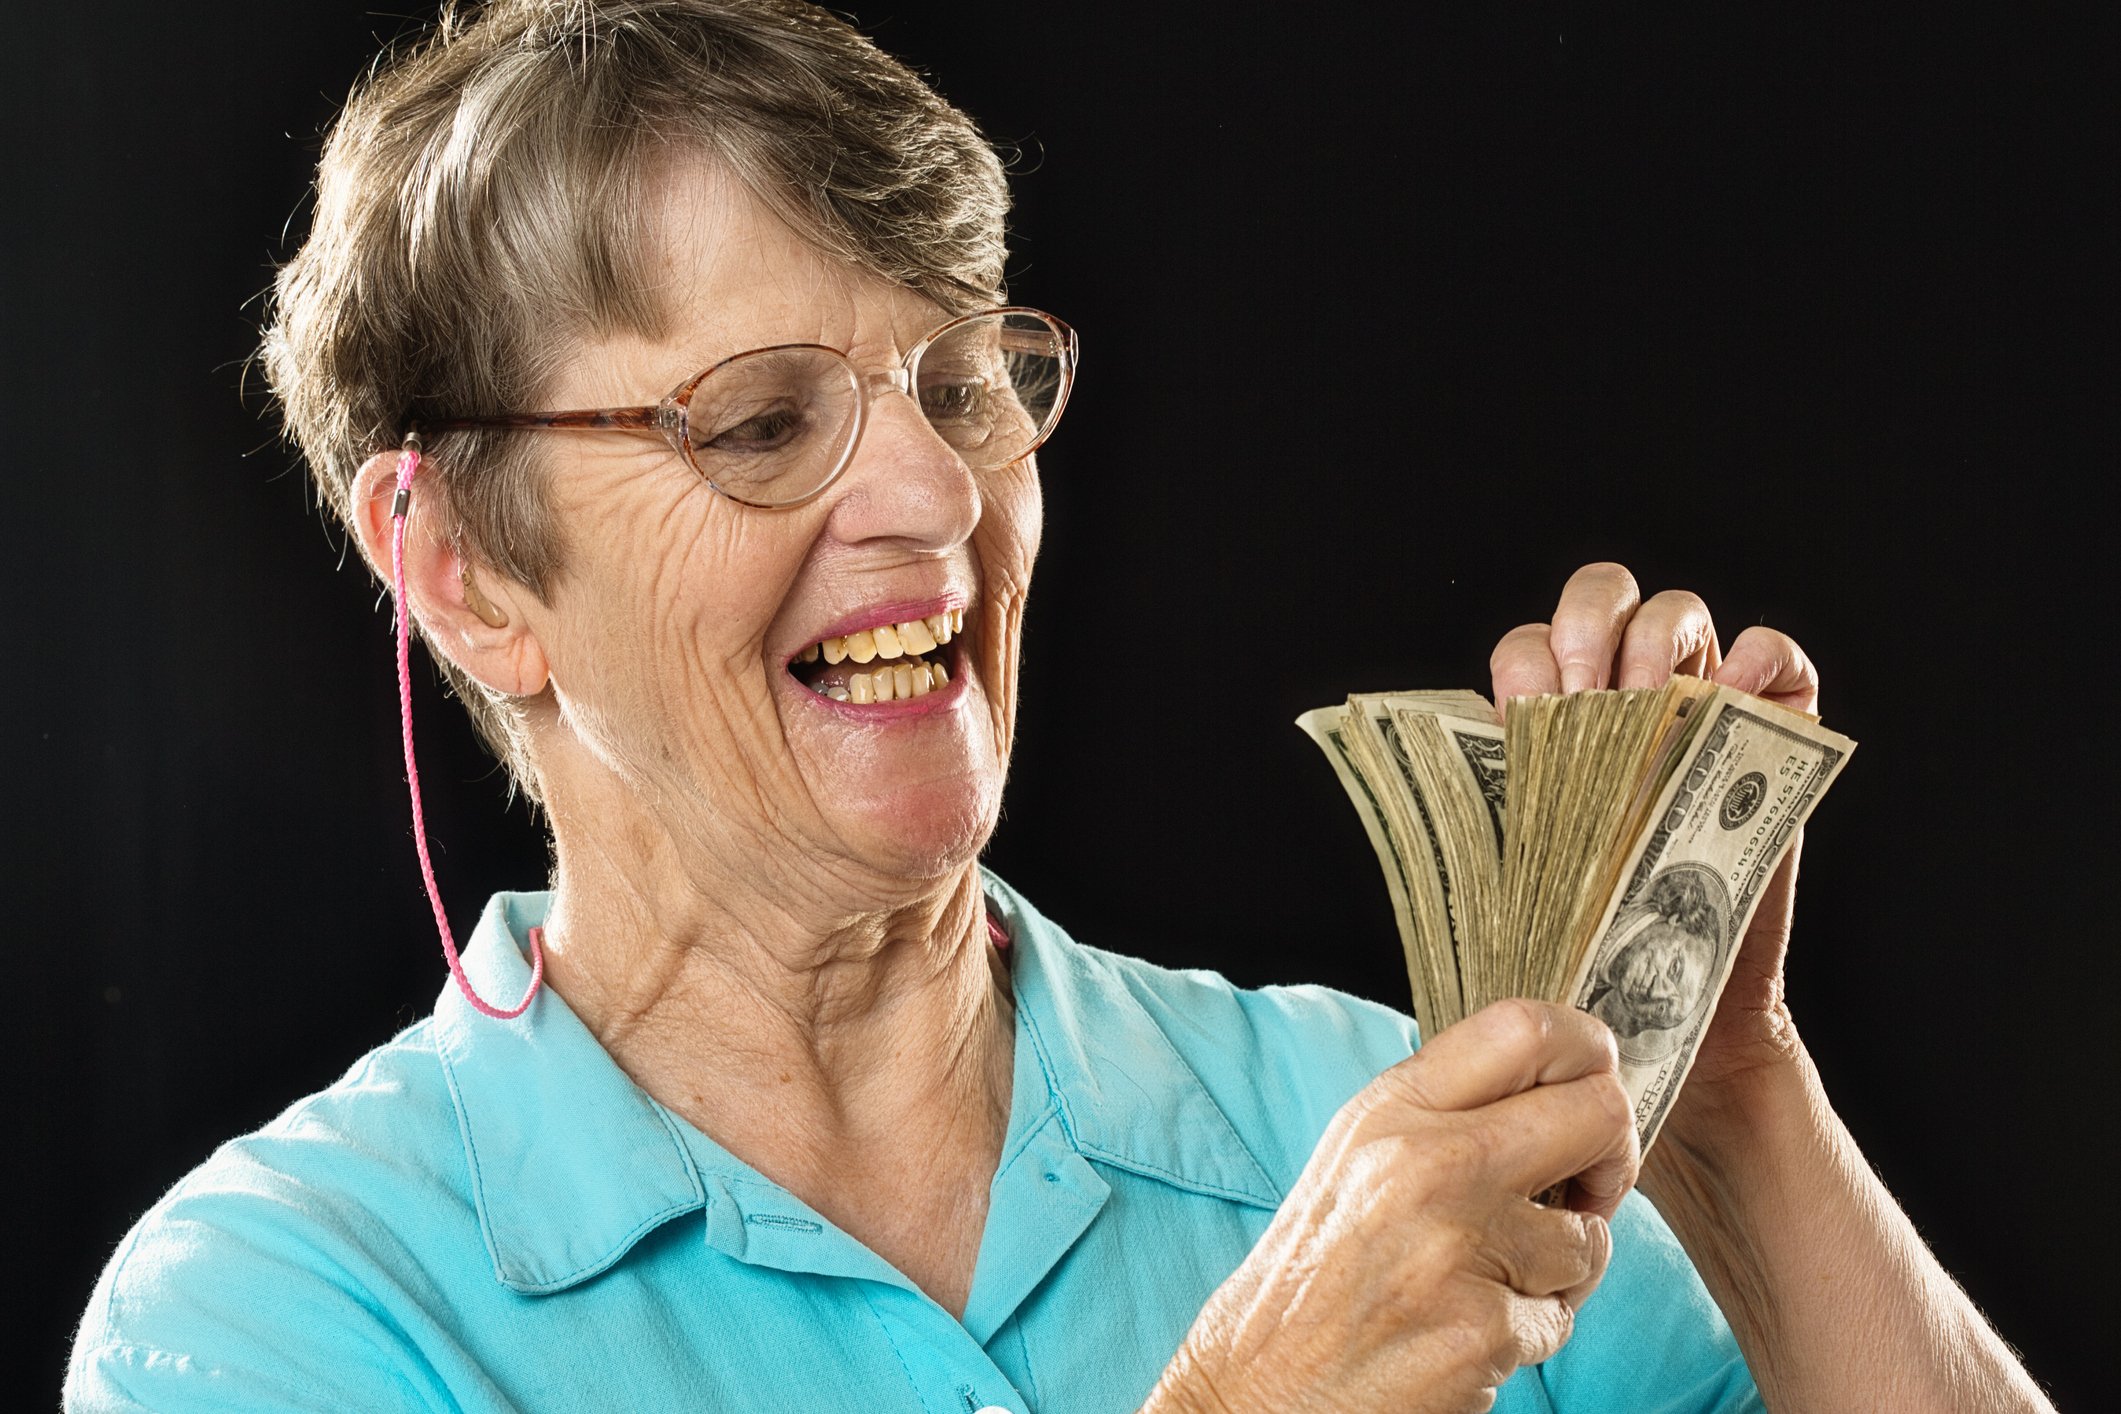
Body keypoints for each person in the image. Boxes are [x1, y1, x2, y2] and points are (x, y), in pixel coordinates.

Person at [66, 2, 2052, 1410]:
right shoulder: (275, 1314)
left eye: (958, 384)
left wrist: (1731, 1110)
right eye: (758, 421)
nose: (938, 500)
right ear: (460, 570)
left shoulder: (1373, 1120)